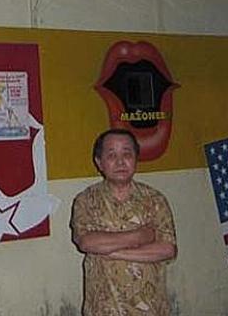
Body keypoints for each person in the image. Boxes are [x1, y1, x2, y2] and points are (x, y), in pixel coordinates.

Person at [71, 129, 177, 315]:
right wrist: (140, 236)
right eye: (111, 155)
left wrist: (111, 251)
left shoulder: (154, 200)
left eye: (127, 154)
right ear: (99, 163)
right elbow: (87, 242)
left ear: (136, 159)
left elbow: (167, 249)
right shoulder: (86, 200)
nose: (120, 161)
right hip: (103, 309)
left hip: (150, 308)